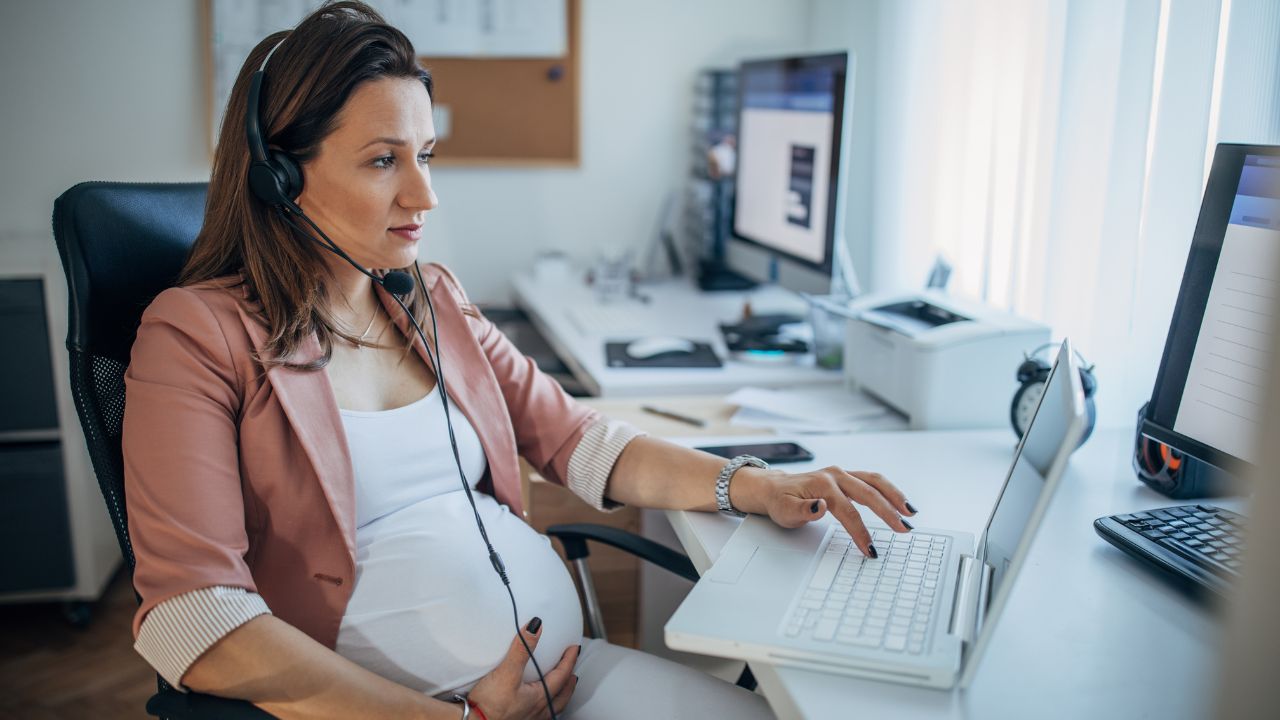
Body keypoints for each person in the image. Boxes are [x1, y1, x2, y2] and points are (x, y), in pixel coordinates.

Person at [122, 3, 918, 718]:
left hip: (561, 680)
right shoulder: (197, 334)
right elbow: (197, 617)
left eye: (426, 155)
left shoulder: (429, 299)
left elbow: (578, 442)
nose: (424, 196)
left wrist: (754, 485)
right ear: (280, 175)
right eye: (382, 161)